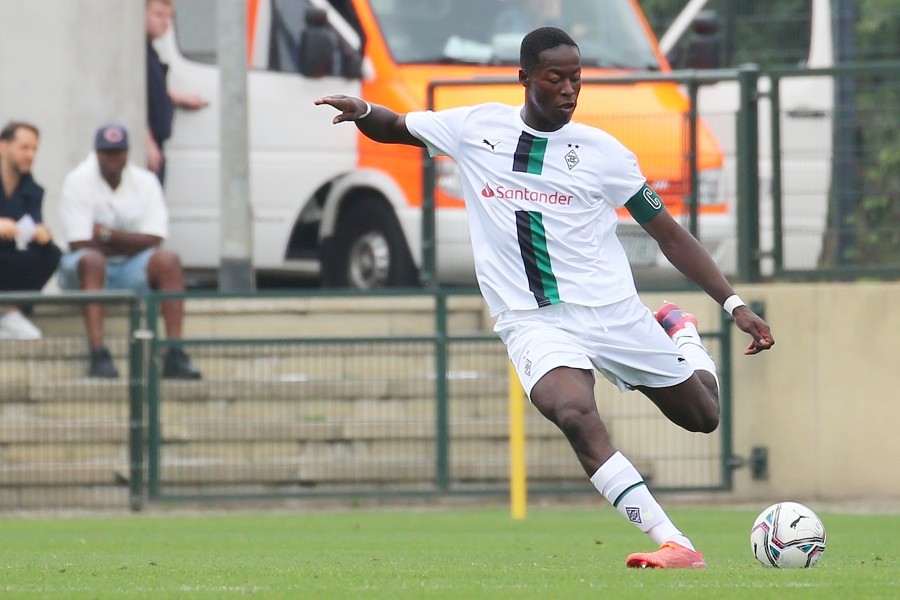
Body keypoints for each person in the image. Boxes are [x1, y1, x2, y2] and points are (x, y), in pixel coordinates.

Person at [315, 27, 774, 569]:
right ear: (525, 78)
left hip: (614, 313)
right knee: (575, 414)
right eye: (556, 77)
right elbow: (395, 127)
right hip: (532, 320)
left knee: (703, 416)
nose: (569, 89)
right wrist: (363, 107)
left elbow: (670, 235)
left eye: (576, 79)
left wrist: (734, 304)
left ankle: (682, 331)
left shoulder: (604, 154)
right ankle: (676, 543)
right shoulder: (476, 127)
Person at [57, 123, 201, 380]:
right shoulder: (78, 180)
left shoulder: (145, 181)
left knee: (169, 261)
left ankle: (175, 353)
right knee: (92, 261)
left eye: (118, 152)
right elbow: (79, 243)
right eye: (106, 152)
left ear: (127, 153)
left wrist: (105, 234)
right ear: (96, 153)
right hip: (85, 271)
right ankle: (99, 354)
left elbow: (155, 239)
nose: (112, 158)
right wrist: (132, 241)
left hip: (129, 266)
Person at [0, 121, 62, 339]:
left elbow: (32, 227)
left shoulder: (33, 190)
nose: (30, 155)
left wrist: (41, 233)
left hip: (9, 261)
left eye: (34, 149)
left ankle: (13, 315)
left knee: (51, 252)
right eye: (24, 147)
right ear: (4, 147)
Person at [146, 0, 207, 185]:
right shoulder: (137, 55)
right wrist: (147, 142)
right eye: (158, 15)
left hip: (157, 144)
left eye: (169, 17)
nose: (165, 23)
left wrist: (178, 98)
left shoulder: (151, 53)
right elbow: (131, 100)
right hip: (150, 146)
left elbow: (153, 94)